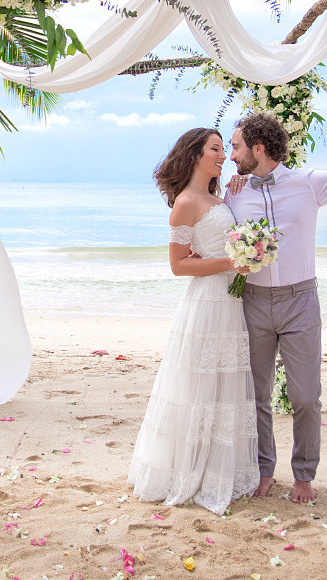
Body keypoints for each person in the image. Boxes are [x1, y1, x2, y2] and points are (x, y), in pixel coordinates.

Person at [225, 112, 327, 504]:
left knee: (306, 396)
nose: (231, 155)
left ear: (258, 148)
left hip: (300, 302)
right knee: (257, 393)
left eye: (235, 147)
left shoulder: (309, 183)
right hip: (252, 302)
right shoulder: (234, 192)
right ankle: (264, 469)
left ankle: (304, 474)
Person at [128, 127, 259, 514]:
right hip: (206, 306)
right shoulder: (185, 202)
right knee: (199, 388)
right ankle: (190, 471)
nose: (223, 156)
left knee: (222, 387)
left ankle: (222, 469)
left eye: (224, 149)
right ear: (195, 155)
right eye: (216, 149)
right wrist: (230, 263)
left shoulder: (218, 197)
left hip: (230, 303)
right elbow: (177, 265)